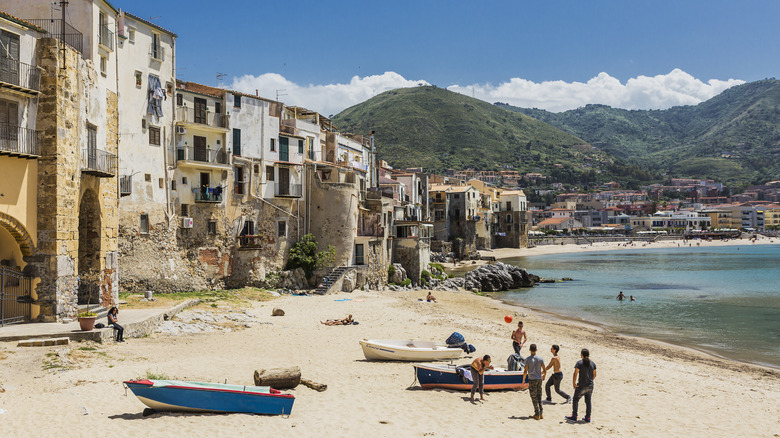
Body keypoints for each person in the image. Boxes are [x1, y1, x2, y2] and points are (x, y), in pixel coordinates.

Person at [565, 348, 597, 424]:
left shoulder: (579, 363)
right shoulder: (593, 363)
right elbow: (594, 375)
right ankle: (588, 417)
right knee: (588, 401)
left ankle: (574, 416)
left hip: (581, 386)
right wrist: (590, 381)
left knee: (575, 399)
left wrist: (574, 383)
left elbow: (575, 373)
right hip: (590, 386)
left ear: (582, 355)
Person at [523, 343, 546, 419]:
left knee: (534, 397)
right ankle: (541, 413)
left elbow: (525, 371)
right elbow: (544, 369)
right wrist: (543, 376)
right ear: (536, 350)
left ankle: (537, 413)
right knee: (539, 395)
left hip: (532, 379)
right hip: (539, 379)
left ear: (529, 350)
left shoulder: (527, 360)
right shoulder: (540, 359)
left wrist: (523, 380)